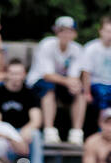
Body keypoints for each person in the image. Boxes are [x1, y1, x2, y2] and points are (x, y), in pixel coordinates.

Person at [29, 16, 84, 146]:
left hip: (61, 84)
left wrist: (75, 85)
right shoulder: (47, 44)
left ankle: (76, 133)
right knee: (49, 89)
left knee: (80, 92)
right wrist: (70, 82)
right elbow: (47, 75)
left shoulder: (77, 49)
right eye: (62, 31)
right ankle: (49, 131)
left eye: (69, 31)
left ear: (74, 34)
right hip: (37, 82)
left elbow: (74, 75)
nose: (66, 34)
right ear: (56, 32)